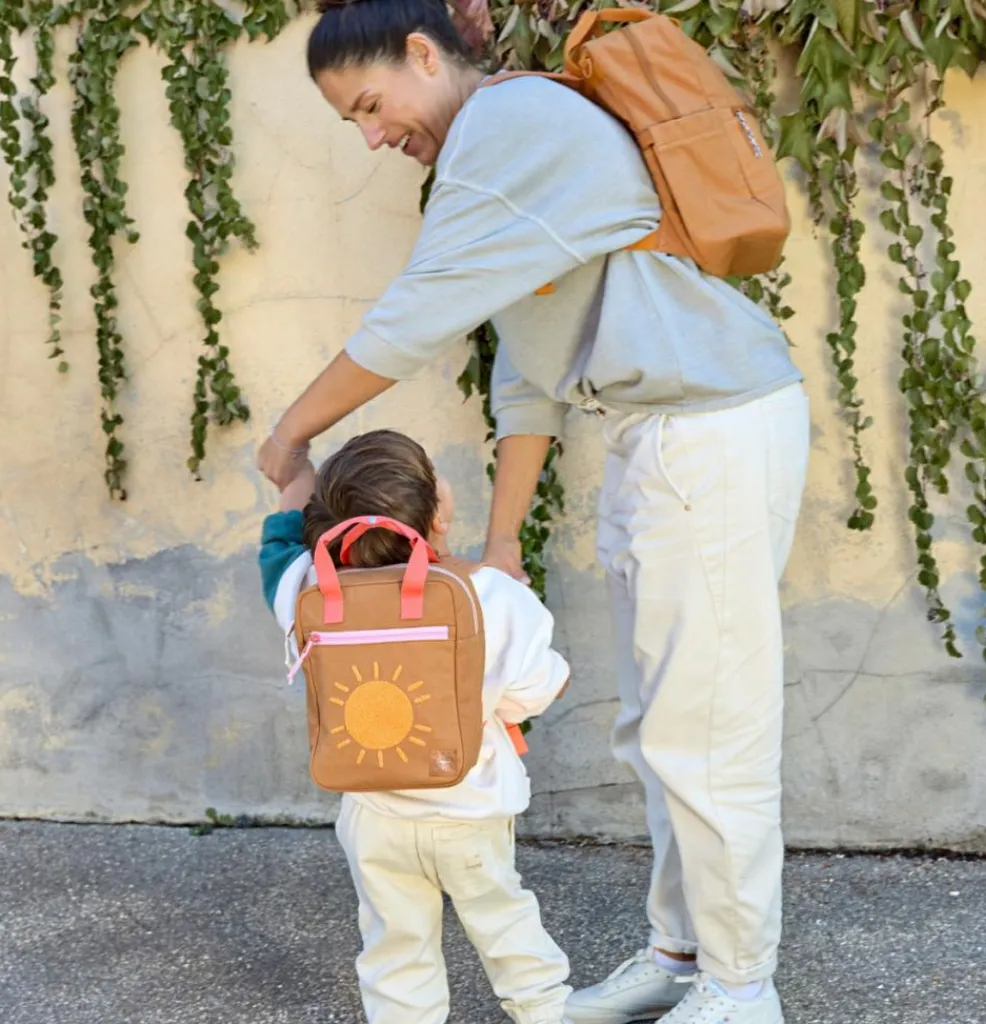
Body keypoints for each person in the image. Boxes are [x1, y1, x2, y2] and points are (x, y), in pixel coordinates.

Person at [257, 3, 810, 1023]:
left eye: (373, 106)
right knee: (660, 725)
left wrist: (289, 437)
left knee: (710, 728)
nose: (376, 138)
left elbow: (416, 315)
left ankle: (742, 989)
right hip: (659, 435)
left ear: (425, 53)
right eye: (355, 125)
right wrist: (502, 542)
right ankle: (685, 955)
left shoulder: (512, 130)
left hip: (711, 428)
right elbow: (527, 369)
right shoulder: (493, 162)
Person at [259, 428, 573, 1024]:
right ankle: (547, 1013)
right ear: (438, 514)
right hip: (472, 811)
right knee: (507, 928)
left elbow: (276, 545)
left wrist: (294, 477)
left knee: (396, 949)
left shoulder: (305, 587)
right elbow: (534, 690)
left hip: (375, 819)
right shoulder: (490, 595)